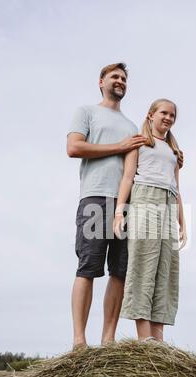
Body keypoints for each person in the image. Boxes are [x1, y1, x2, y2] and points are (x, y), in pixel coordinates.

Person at [67, 63, 148, 349]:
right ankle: (79, 341)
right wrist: (121, 146)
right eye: (115, 76)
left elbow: (138, 165)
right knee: (88, 266)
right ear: (101, 82)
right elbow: (74, 148)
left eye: (124, 78)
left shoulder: (132, 126)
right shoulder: (86, 112)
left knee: (120, 271)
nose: (120, 81)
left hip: (125, 204)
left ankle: (108, 340)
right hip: (94, 197)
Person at [113, 99, 187, 341]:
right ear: (151, 115)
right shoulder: (140, 142)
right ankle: (144, 340)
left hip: (168, 202)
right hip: (145, 198)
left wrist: (182, 222)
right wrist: (118, 212)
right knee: (144, 265)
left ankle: (158, 341)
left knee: (165, 270)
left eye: (172, 115)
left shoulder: (175, 151)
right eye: (164, 113)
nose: (168, 118)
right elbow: (127, 179)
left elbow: (177, 187)